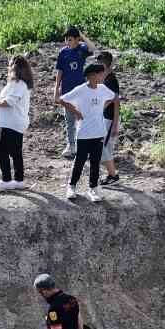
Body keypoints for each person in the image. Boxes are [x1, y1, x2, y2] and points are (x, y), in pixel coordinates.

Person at [59, 63, 116, 202]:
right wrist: (76, 112)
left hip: (99, 132)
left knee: (96, 162)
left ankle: (93, 189)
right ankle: (71, 186)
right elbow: (62, 99)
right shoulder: (81, 90)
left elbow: (113, 97)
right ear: (92, 75)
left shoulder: (103, 89)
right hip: (84, 133)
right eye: (101, 73)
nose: (103, 76)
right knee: (80, 161)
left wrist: (102, 106)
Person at [0, 55, 34, 191]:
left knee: (1, 150)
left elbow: (9, 101)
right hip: (14, 123)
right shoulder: (21, 84)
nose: (8, 68)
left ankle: (7, 180)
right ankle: (19, 180)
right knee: (15, 152)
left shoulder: (18, 84)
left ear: (15, 68)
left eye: (10, 65)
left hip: (12, 123)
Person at [53, 26, 92, 159]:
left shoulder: (82, 49)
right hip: (67, 91)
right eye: (66, 39)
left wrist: (82, 36)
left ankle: (83, 146)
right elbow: (59, 72)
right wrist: (56, 90)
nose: (67, 42)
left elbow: (93, 48)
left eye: (70, 39)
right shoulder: (63, 52)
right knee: (69, 120)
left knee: (81, 118)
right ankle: (71, 145)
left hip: (80, 91)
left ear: (77, 39)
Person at [97, 51, 123, 185]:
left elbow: (116, 102)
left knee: (103, 148)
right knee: (105, 148)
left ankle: (113, 176)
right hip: (106, 119)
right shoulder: (106, 78)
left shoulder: (111, 81)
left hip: (110, 119)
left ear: (104, 65)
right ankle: (110, 175)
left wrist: (115, 124)